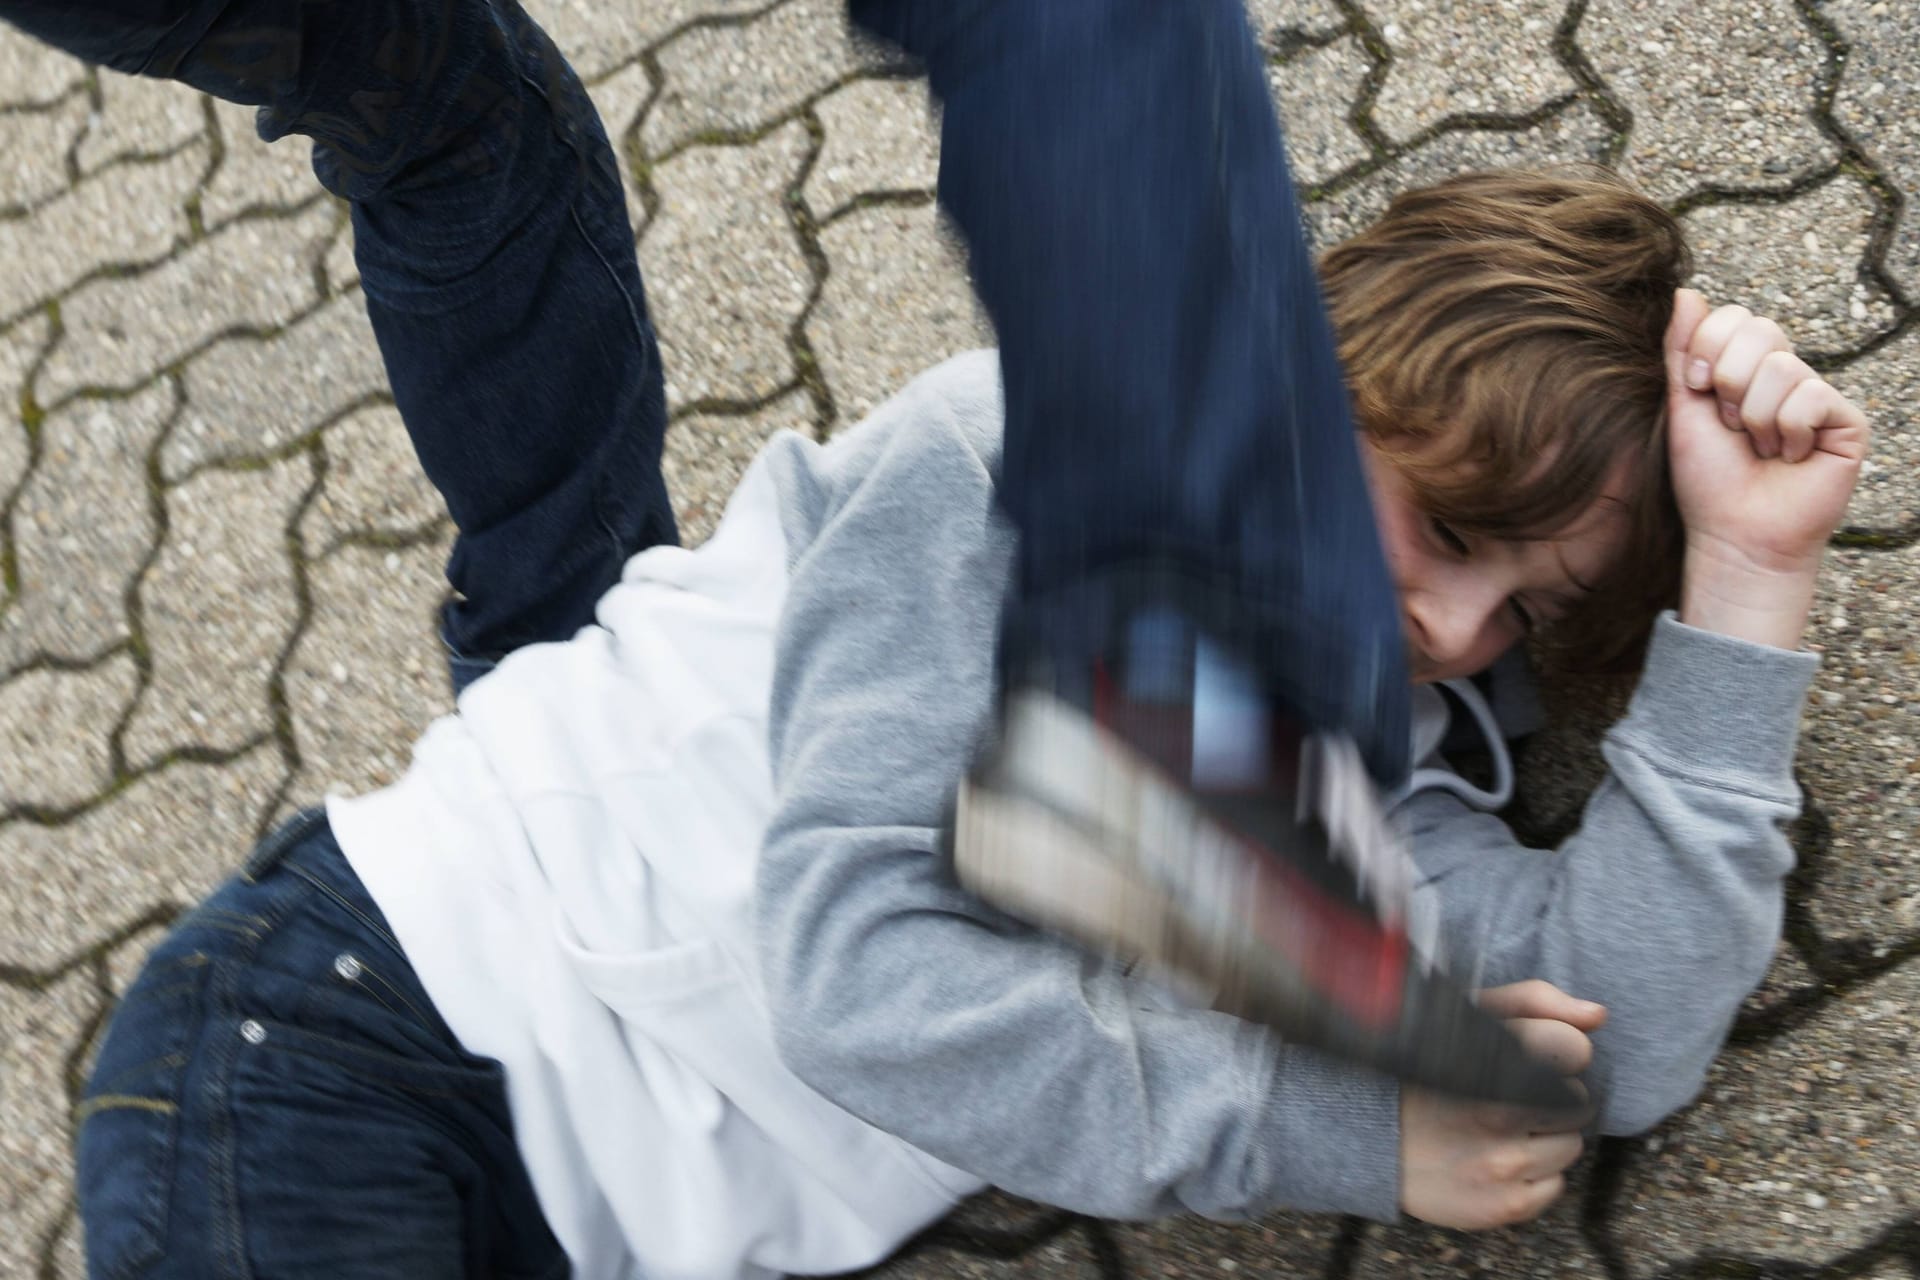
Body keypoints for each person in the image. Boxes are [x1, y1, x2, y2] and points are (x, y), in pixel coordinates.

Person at [16, 4, 1865, 1280]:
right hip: (344, 1042)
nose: (1455, 626)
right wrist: (1330, 1125)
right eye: (1447, 528)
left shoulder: (1390, 775)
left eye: (1529, 612)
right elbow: (857, 977)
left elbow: (1611, 1052)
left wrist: (1750, 582)